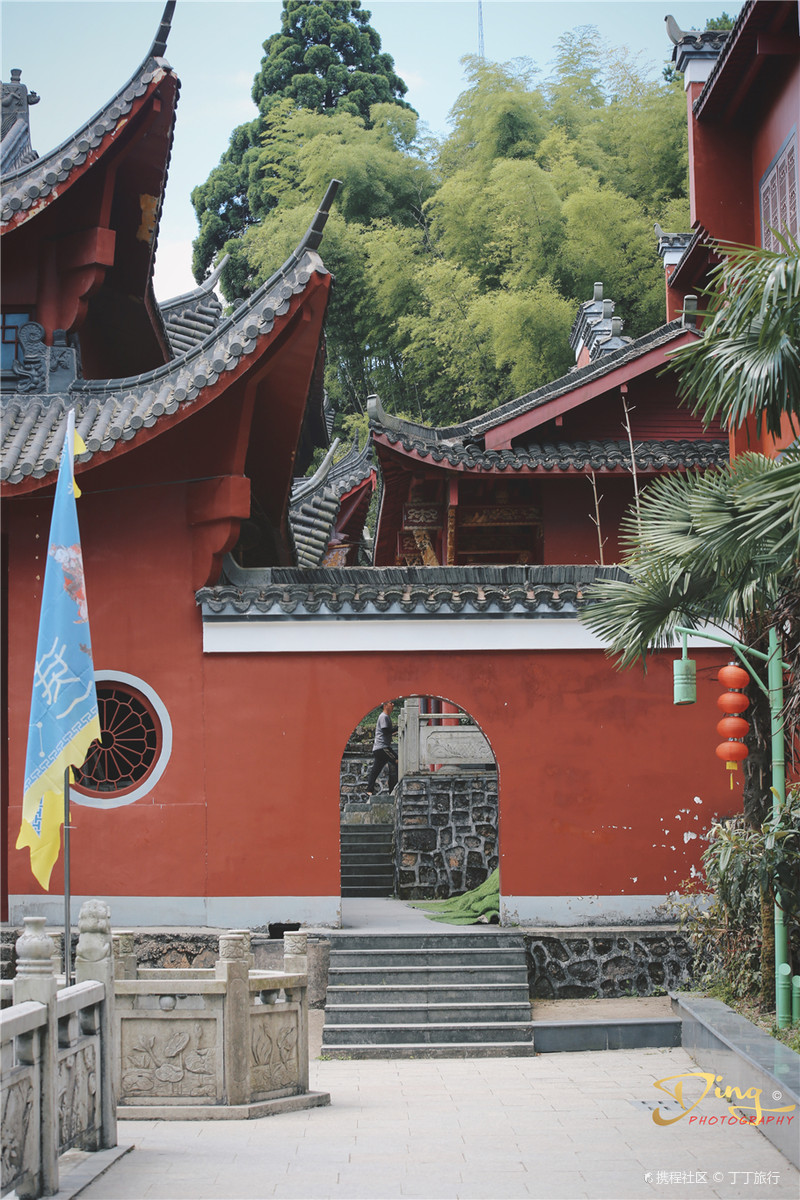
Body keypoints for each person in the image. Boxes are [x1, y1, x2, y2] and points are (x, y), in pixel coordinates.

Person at [366, 700, 397, 795]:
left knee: (375, 770)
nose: (393, 704)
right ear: (385, 705)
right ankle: (393, 789)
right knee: (397, 761)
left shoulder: (385, 717)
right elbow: (386, 731)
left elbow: (388, 731)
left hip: (378, 748)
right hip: (383, 748)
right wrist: (398, 727)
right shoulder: (383, 717)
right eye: (390, 703)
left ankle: (369, 790)